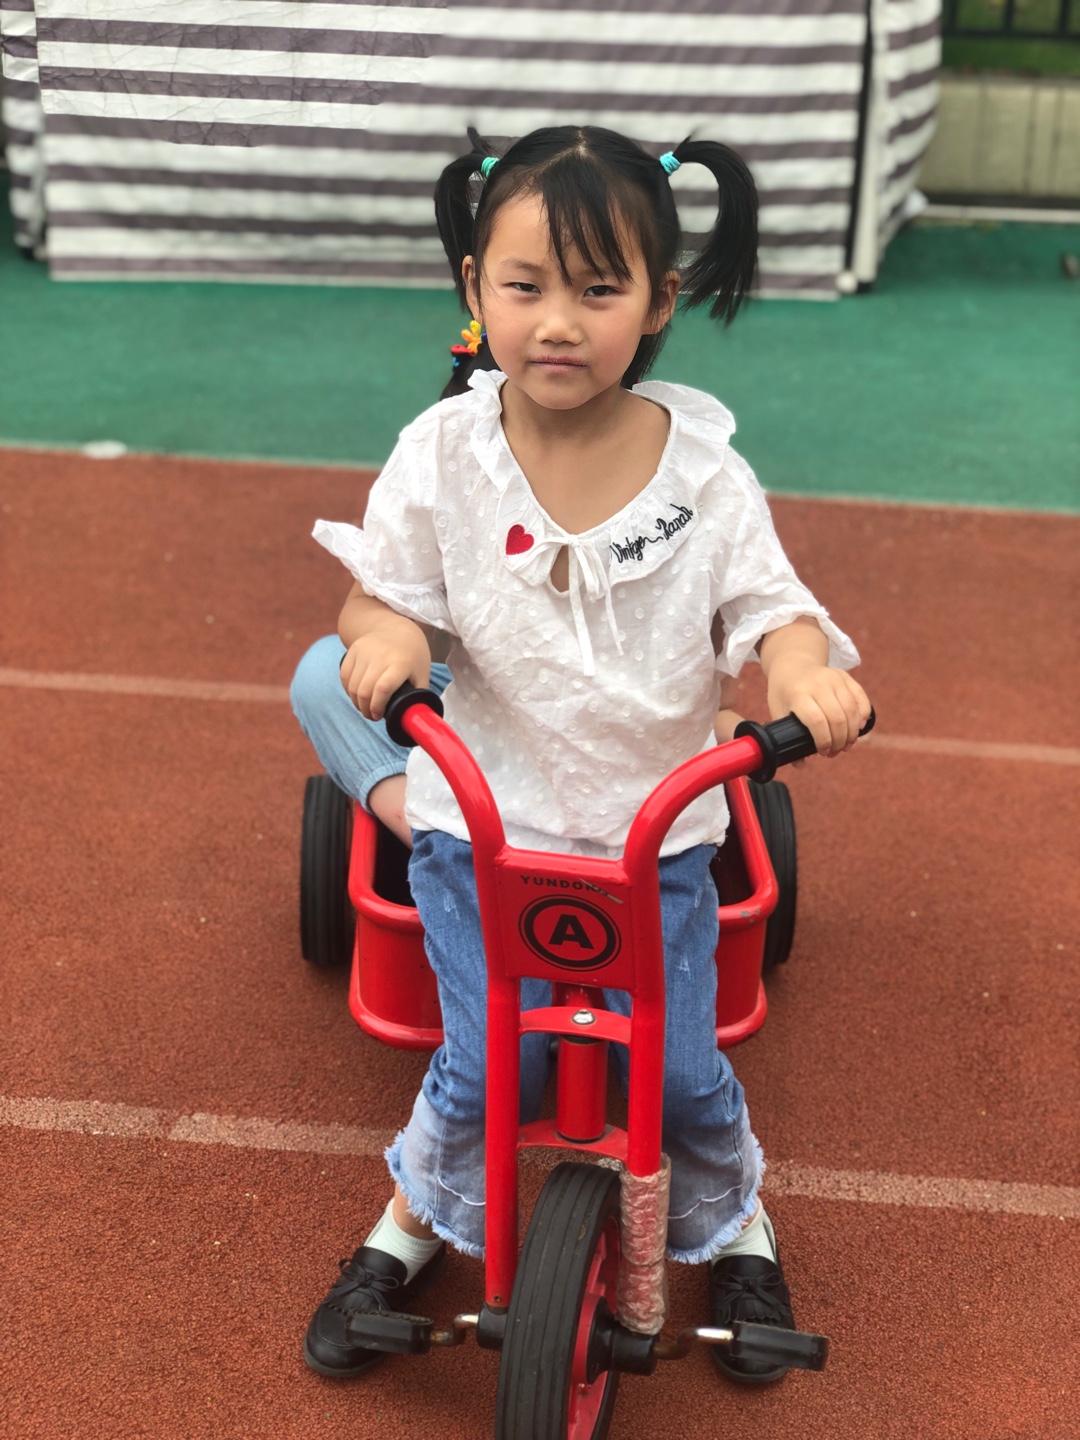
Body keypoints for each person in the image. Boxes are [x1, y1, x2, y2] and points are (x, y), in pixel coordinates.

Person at [291, 124, 871, 1386]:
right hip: (481, 829)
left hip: (652, 838)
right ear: (474, 288)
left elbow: (774, 608)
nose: (558, 323)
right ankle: (411, 1224)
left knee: (679, 1073)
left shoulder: (704, 476)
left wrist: (800, 674)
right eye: (525, 286)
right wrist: (387, 637)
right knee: (489, 1062)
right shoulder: (442, 452)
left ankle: (740, 1229)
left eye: (599, 290)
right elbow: (379, 596)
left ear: (659, 302)